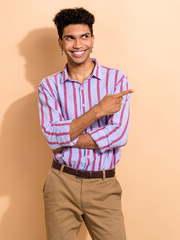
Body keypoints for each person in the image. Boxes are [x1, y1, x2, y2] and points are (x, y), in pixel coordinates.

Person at [37, 7, 133, 240]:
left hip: (103, 184)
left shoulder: (116, 79)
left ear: (92, 38)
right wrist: (99, 110)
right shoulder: (49, 87)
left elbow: (118, 134)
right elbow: (51, 136)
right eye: (70, 38)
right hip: (61, 183)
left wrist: (65, 139)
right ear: (60, 42)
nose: (78, 45)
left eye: (84, 36)